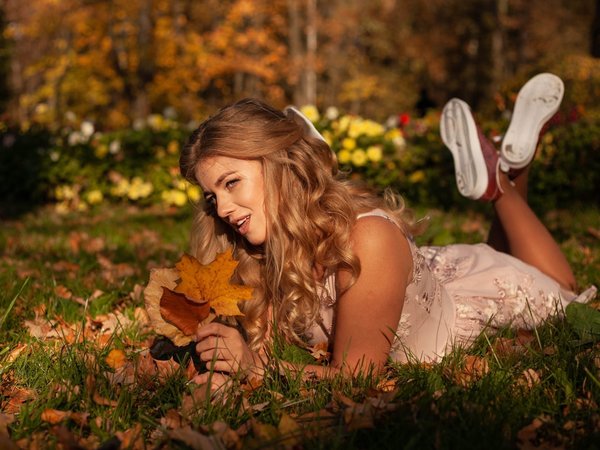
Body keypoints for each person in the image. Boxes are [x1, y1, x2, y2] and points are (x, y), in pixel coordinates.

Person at [178, 73, 596, 390]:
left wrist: (256, 369)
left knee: (564, 290)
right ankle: (508, 170)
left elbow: (356, 375)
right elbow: (260, 353)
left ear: (280, 166)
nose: (223, 209)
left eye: (232, 183)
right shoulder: (263, 252)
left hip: (483, 299)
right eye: (212, 196)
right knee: (506, 251)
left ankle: (501, 185)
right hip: (440, 280)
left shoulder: (368, 240)